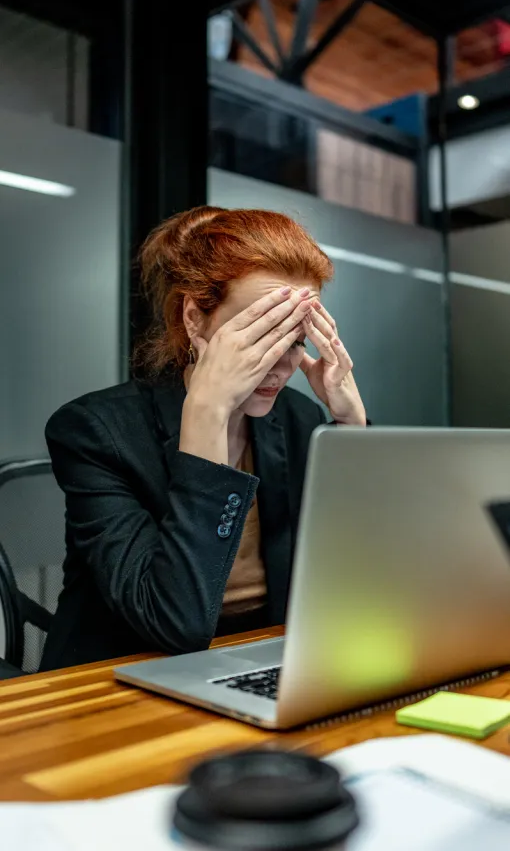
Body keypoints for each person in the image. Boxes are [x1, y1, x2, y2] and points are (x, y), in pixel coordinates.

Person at [40, 207, 366, 670]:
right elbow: (176, 624)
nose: (280, 365)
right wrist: (209, 416)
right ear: (195, 319)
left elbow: (365, 586)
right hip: (122, 677)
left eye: (296, 340)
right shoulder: (96, 431)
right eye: (262, 336)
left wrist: (352, 426)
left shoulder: (298, 417)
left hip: (264, 659)